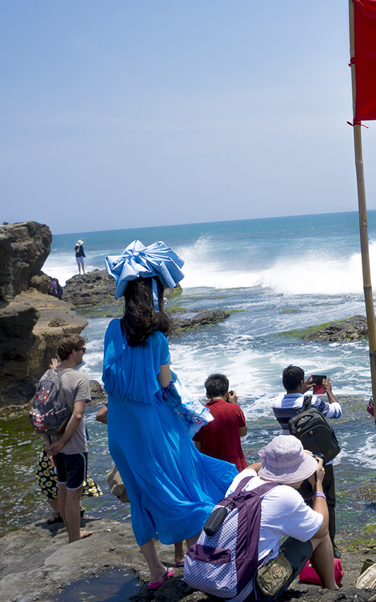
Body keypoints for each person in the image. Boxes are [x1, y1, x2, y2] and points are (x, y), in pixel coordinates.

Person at [102, 240, 237, 590]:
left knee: (138, 493)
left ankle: (155, 572)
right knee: (181, 484)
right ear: (152, 293)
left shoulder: (112, 329)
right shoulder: (157, 336)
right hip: (149, 423)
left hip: (119, 427)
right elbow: (162, 382)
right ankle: (194, 563)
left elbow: (112, 378)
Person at [221, 436, 339, 601]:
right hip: (245, 593)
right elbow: (322, 527)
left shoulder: (242, 481)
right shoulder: (286, 496)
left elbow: (252, 467)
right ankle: (331, 589)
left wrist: (279, 461)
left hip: (214, 581)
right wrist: (318, 484)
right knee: (318, 530)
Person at [272, 366, 341, 554]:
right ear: (302, 382)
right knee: (327, 502)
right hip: (319, 460)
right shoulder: (314, 401)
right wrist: (328, 391)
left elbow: (293, 403)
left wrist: (300, 390)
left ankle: (306, 542)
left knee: (303, 503)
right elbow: (337, 412)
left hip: (295, 462)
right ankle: (329, 544)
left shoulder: (277, 404)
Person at [42, 336, 92, 543]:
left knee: (62, 487)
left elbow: (40, 411)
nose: (84, 353)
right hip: (73, 447)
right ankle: (74, 537)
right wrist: (62, 442)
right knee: (74, 494)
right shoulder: (79, 378)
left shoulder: (47, 374)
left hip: (54, 444)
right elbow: (78, 415)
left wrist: (49, 442)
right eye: (83, 349)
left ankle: (71, 533)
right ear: (73, 353)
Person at [194, 374, 248, 473]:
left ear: (207, 395)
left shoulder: (200, 415)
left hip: (212, 471)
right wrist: (232, 404)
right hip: (236, 469)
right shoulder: (234, 408)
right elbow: (243, 432)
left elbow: (198, 447)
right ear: (227, 394)